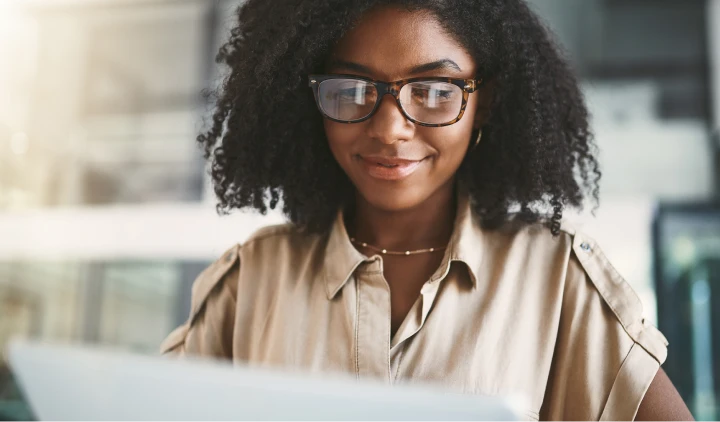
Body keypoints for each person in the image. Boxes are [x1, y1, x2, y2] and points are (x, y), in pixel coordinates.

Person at [160, 1, 694, 420]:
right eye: (350, 89)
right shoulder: (250, 282)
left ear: (483, 100)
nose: (390, 129)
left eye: (435, 91)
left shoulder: (558, 282)